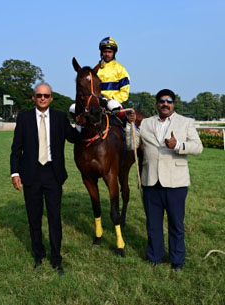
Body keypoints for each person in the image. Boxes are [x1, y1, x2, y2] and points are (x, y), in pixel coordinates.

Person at [126, 89, 203, 271]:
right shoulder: (145, 123)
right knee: (153, 224)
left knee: (176, 224)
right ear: (157, 104)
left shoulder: (185, 122)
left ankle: (177, 261)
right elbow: (131, 145)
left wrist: (178, 145)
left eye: (169, 101)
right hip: (151, 181)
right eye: (162, 101)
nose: (165, 104)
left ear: (173, 104)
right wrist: (130, 127)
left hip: (176, 182)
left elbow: (198, 147)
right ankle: (155, 257)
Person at [10, 82, 80, 275]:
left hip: (52, 175)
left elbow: (74, 137)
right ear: (33, 98)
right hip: (30, 175)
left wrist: (82, 121)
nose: (42, 98)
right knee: (34, 219)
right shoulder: (24, 118)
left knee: (54, 218)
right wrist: (15, 173)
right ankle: (39, 256)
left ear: (51, 98)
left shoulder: (59, 118)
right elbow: (16, 149)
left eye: (46, 95)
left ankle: (57, 259)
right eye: (39, 95)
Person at [69, 36, 130, 123]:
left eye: (110, 52)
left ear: (114, 53)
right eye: (105, 51)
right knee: (72, 108)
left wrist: (110, 99)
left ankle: (127, 125)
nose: (107, 54)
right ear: (101, 53)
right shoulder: (95, 70)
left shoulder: (121, 69)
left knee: (113, 105)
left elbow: (125, 92)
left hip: (112, 101)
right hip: (96, 100)